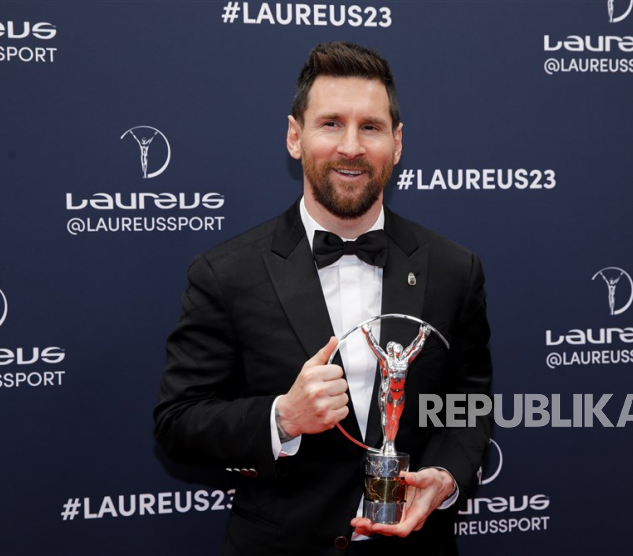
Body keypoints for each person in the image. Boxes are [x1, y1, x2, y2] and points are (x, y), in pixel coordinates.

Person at [154, 42, 493, 556]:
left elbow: (468, 401)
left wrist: (445, 477)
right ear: (295, 136)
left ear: (397, 143)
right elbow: (177, 424)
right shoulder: (225, 273)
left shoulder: (454, 268)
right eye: (331, 123)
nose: (352, 146)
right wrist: (282, 418)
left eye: (371, 127)